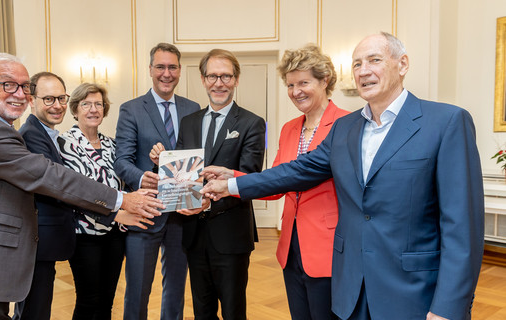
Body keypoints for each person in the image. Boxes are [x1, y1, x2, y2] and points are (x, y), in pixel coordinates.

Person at [201, 32, 484, 320]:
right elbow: (296, 171)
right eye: (357, 63)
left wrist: (449, 307)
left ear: (402, 64)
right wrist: (231, 183)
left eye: (374, 60)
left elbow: (462, 228)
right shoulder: (345, 129)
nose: (363, 71)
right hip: (352, 290)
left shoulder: (446, 122)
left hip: (412, 293)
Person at [0, 53, 162, 320]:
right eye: (8, 85)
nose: (19, 94)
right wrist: (121, 200)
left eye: (24, 87)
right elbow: (50, 176)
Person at [204, 44, 349, 319]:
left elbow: (297, 175)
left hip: (328, 248)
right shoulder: (290, 128)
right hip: (291, 248)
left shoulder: (346, 124)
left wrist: (231, 185)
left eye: (304, 82)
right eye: (291, 84)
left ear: (325, 80)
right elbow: (275, 184)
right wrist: (231, 175)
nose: (296, 92)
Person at [152, 48, 265, 320]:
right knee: (202, 311)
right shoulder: (188, 122)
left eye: (226, 76)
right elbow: (182, 171)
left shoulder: (252, 123)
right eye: (212, 76)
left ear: (236, 80)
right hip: (193, 232)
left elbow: (248, 177)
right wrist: (165, 167)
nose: (219, 83)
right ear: (203, 80)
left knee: (233, 310)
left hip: (231, 232)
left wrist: (207, 199)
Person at [115, 42, 200, 320]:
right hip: (146, 211)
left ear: (179, 70)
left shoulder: (193, 108)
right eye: (160, 67)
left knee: (176, 288)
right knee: (138, 289)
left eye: (172, 67)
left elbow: (196, 158)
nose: (167, 73)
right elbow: (122, 160)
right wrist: (143, 177)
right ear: (150, 69)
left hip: (182, 213)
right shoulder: (131, 109)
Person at [58, 83, 130, 319]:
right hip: (84, 234)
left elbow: (124, 183)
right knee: (89, 300)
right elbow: (72, 191)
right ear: (75, 109)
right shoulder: (63, 143)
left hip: (116, 232)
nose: (93, 109)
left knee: (108, 299)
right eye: (86, 104)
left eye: (98, 104)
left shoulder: (113, 144)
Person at [12, 72, 75, 320]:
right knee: (33, 312)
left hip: (48, 241)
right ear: (31, 99)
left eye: (61, 98)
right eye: (48, 99)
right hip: (37, 241)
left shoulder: (48, 133)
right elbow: (56, 185)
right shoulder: (30, 135)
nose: (57, 105)